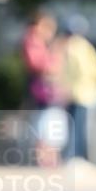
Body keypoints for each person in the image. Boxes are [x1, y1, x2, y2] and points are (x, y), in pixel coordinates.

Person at [22, 10, 66, 167]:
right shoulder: (33, 40)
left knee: (51, 126)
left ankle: (50, 158)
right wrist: (53, 62)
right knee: (43, 126)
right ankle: (45, 160)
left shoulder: (41, 42)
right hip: (41, 92)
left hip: (47, 93)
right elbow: (38, 64)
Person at [59, 16, 96, 162]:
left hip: (79, 94)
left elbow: (82, 72)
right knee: (79, 127)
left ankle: (74, 156)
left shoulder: (74, 47)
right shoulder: (86, 47)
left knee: (76, 127)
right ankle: (76, 156)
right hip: (83, 94)